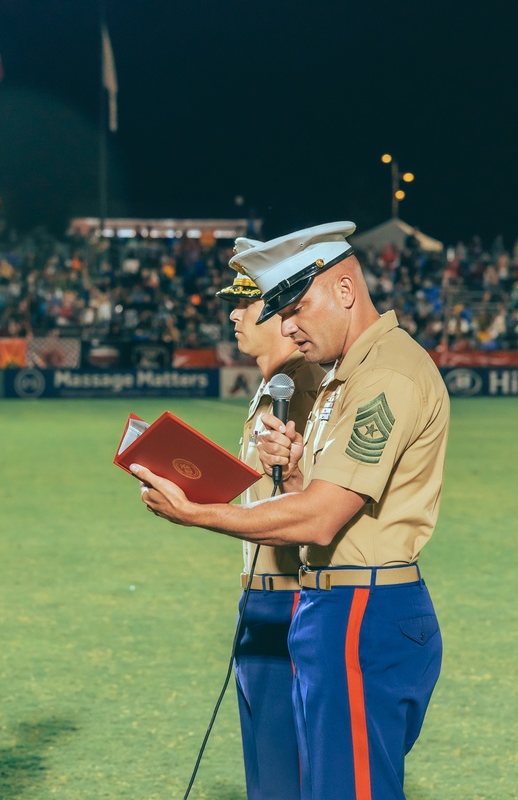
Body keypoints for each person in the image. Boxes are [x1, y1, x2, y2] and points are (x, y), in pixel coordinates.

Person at [133, 221, 449, 800]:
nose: (289, 325)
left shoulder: (385, 375)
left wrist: (198, 513)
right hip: (335, 602)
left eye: (298, 306)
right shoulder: (347, 377)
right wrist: (300, 477)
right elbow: (325, 503)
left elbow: (323, 518)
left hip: (360, 608)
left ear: (346, 291)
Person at [215, 263, 326, 800]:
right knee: (265, 768)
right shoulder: (274, 387)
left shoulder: (301, 387)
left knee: (285, 768)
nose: (233, 315)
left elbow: (312, 502)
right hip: (260, 597)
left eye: (245, 305)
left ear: (283, 316)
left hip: (289, 600)